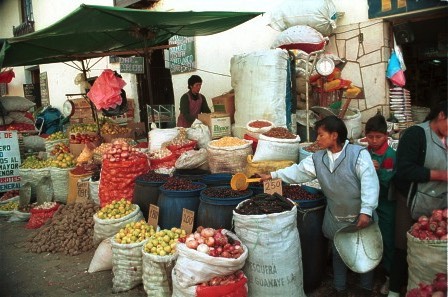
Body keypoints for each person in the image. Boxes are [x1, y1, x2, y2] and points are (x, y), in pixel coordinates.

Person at [260, 115, 379, 297]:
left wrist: (366, 211)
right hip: (336, 215)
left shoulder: (358, 154)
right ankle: (339, 288)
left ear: (334, 135)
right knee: (339, 250)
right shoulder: (318, 159)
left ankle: (366, 288)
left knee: (363, 250)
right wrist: (274, 175)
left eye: (320, 134)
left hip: (359, 214)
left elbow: (370, 183)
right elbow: (298, 172)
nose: (317, 139)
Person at [387, 100, 448, 297]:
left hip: (440, 202)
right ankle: (395, 290)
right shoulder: (416, 135)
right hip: (411, 198)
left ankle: (429, 287)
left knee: (434, 245)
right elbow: (404, 169)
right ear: (441, 116)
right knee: (403, 246)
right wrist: (442, 175)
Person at [364, 114, 396, 295]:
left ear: (386, 137)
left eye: (379, 137)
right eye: (371, 137)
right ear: (365, 136)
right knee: (371, 238)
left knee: (387, 241)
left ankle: (390, 279)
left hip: (385, 204)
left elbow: (389, 181)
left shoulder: (390, 156)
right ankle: (373, 272)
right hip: (369, 203)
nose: (374, 141)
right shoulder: (365, 152)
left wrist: (377, 171)